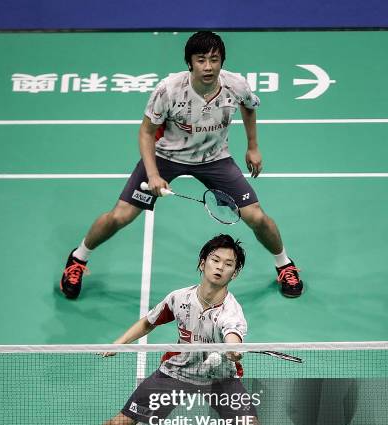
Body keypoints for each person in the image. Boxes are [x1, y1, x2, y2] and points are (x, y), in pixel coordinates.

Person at [53, 234, 275, 425]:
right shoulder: (179, 298)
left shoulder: (232, 314)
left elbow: (233, 336)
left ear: (235, 273)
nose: (220, 267)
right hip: (176, 373)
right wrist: (119, 343)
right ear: (202, 263)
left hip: (220, 377)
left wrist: (233, 349)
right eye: (215, 260)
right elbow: (149, 321)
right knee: (118, 424)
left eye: (229, 264)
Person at [60, 31, 303, 300]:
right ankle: (78, 259)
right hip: (166, 157)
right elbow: (146, 132)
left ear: (222, 61)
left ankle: (284, 264)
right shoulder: (169, 90)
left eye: (214, 59)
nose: (208, 67)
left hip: (214, 158)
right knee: (120, 216)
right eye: (201, 60)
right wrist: (152, 174)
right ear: (190, 63)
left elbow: (248, 106)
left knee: (257, 217)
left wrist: (253, 146)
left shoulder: (236, 85)